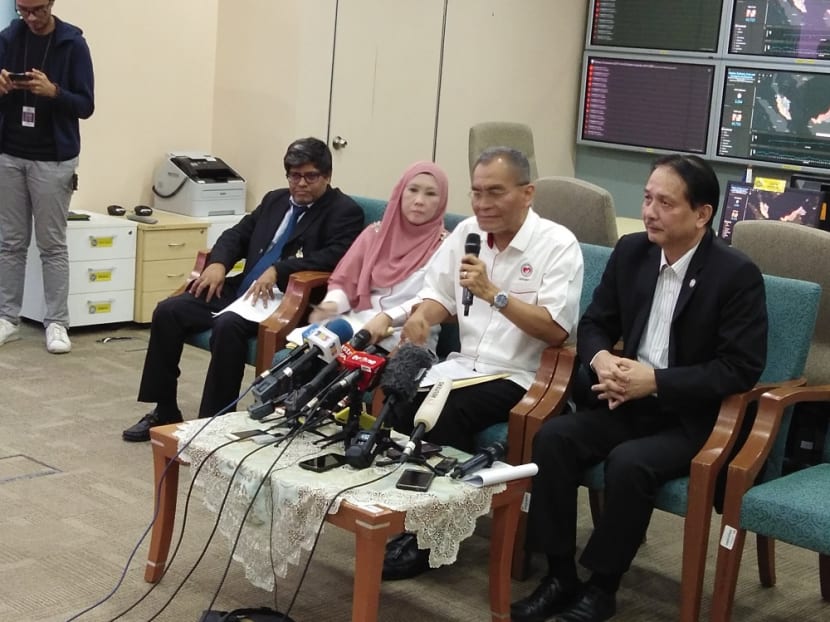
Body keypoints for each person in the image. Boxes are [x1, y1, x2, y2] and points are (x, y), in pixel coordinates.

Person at [511, 154, 768, 622]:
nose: (650, 211)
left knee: (629, 463)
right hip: (622, 400)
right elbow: (593, 322)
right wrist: (601, 357)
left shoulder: (735, 275)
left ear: (702, 214)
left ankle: (602, 589)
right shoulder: (632, 252)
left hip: (691, 418)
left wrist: (657, 381)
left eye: (665, 203)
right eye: (647, 198)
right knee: (553, 439)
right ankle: (560, 576)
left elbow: (739, 369)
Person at [375, 146, 584, 580]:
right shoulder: (467, 233)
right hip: (462, 365)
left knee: (445, 412)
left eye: (495, 193)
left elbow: (555, 330)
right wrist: (421, 317)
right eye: (476, 193)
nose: (483, 204)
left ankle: (431, 537)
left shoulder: (557, 245)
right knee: (396, 392)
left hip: (522, 375)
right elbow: (439, 294)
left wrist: (495, 294)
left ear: (527, 193)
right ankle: (405, 513)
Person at [122, 137, 364, 442]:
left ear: (327, 176)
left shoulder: (343, 211)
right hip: (246, 291)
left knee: (227, 326)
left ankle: (212, 422)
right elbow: (237, 234)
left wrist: (279, 270)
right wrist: (219, 263)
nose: (301, 184)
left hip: (288, 299)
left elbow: (335, 257)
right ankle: (165, 409)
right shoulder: (276, 200)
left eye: (310, 176)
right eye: (294, 175)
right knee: (169, 311)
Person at [0, 0, 94, 353]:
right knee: (11, 242)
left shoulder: (73, 44)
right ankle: (7, 317)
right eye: (23, 10)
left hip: (54, 160)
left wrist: (53, 92)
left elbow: (86, 105)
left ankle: (57, 322)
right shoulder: (8, 39)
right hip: (9, 154)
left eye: (37, 9)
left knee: (52, 244)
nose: (31, 18)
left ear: (52, 3)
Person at [307, 160, 449, 353]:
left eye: (431, 194)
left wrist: (388, 318)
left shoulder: (446, 246)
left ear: (441, 201)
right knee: (306, 360)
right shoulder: (375, 233)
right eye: (412, 190)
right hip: (356, 325)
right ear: (400, 192)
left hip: (405, 338)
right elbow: (344, 281)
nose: (419, 200)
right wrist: (332, 304)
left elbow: (435, 300)